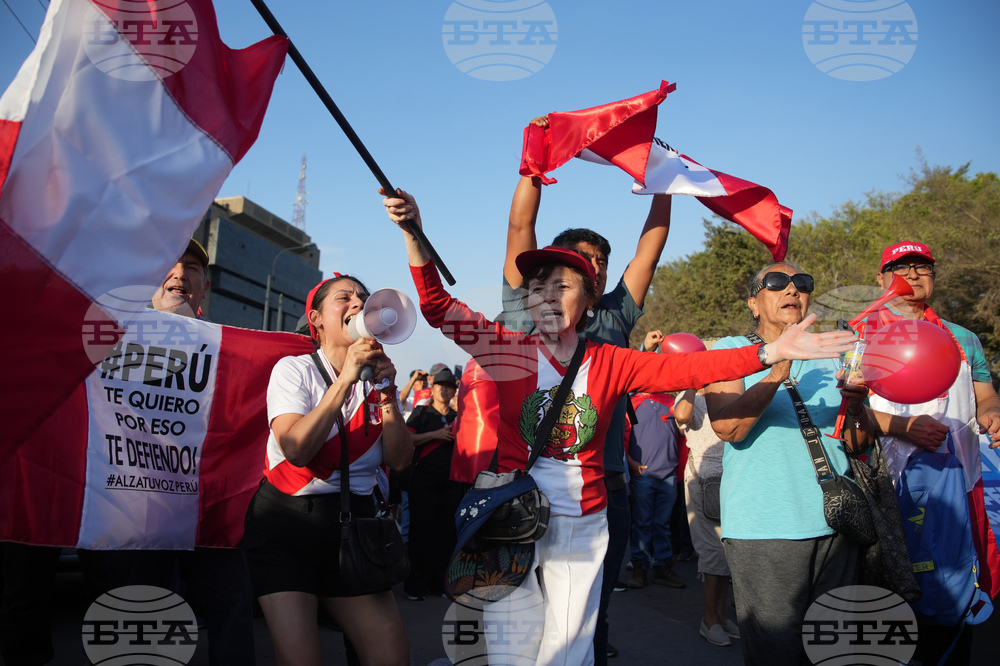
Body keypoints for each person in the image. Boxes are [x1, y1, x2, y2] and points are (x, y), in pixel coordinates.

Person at [383, 189, 857, 665]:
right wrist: (412, 233)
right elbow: (438, 306)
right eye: (538, 285)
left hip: (582, 524)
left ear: (589, 301)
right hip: (512, 519)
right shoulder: (506, 349)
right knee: (511, 646)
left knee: (569, 649)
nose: (548, 294)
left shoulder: (611, 361)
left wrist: (771, 353)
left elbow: (691, 370)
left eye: (563, 286)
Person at [503, 115, 675, 662]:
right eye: (584, 261)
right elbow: (519, 232)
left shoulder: (614, 318)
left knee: (587, 619)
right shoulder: (526, 310)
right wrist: (533, 166)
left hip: (606, 490)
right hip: (522, 487)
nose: (597, 268)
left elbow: (650, 250)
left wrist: (665, 184)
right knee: (520, 610)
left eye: (602, 261)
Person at [703, 261, 875, 665]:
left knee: (833, 652)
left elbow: (858, 442)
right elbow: (729, 428)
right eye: (777, 283)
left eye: (802, 282)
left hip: (837, 523)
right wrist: (779, 365)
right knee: (776, 654)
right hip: (766, 529)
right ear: (754, 303)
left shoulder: (835, 352)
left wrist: (855, 402)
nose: (792, 290)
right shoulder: (729, 351)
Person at [101, 238, 257, 665]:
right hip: (137, 505)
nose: (179, 273)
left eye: (191, 266)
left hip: (212, 507)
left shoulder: (231, 349)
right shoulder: (112, 340)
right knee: (139, 615)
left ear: (204, 286)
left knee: (231, 609)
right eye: (167, 265)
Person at [242, 274, 412, 666]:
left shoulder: (377, 382)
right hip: (286, 526)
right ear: (316, 319)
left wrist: (387, 395)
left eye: (364, 298)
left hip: (354, 528)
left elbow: (400, 460)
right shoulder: (294, 370)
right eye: (344, 297)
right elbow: (297, 450)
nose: (358, 303)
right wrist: (347, 379)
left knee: (391, 654)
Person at [862, 241, 1000, 665]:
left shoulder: (964, 338)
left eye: (924, 268)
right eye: (902, 268)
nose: (915, 275)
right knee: (889, 595)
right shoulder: (861, 335)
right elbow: (846, 413)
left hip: (958, 486)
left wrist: (993, 415)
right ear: (882, 279)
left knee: (952, 589)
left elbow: (985, 396)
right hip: (885, 486)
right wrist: (903, 428)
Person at [677, 385, 741, 648]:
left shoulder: (729, 394)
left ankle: (721, 616)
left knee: (727, 551)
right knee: (712, 552)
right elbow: (681, 416)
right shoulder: (689, 397)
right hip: (702, 480)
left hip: (731, 480)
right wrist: (692, 383)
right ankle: (710, 619)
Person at [625, 332, 686, 590]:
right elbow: (621, 439)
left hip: (668, 475)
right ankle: (639, 568)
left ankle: (663, 567)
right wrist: (631, 463)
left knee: (662, 525)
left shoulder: (672, 402)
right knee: (642, 524)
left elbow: (683, 437)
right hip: (643, 475)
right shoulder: (632, 402)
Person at [403, 367, 464, 601]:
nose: (444, 389)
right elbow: (408, 439)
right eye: (441, 385)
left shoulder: (459, 417)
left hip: (452, 482)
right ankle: (416, 586)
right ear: (433, 387)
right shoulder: (421, 412)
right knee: (421, 533)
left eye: (449, 386)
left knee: (447, 535)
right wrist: (436, 435)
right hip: (424, 481)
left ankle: (441, 585)